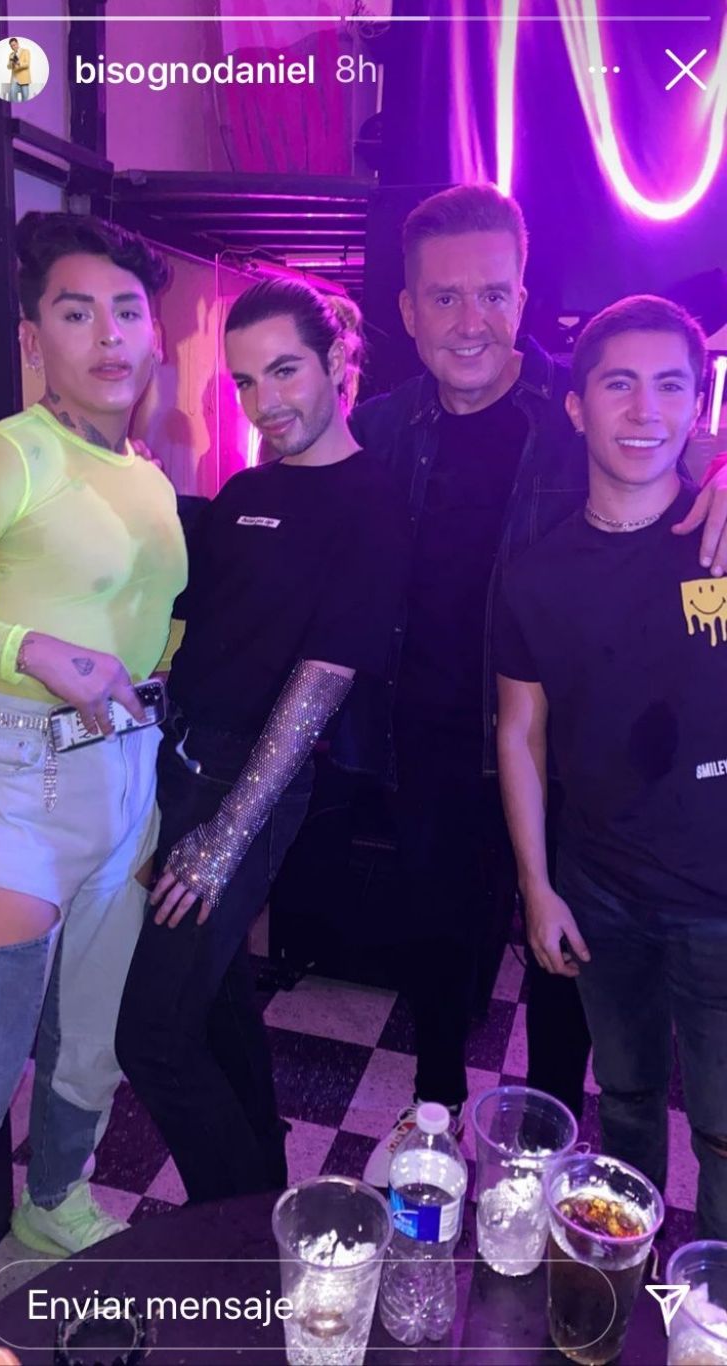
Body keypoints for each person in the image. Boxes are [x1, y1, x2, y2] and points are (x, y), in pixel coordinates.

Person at [341, 184, 727, 1187]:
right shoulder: (377, 430)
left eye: (494, 294)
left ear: (522, 297)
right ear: (409, 309)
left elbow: (677, 445)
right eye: (446, 297)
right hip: (425, 735)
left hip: (569, 748)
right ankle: (433, 1110)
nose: (471, 321)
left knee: (566, 964)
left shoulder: (580, 403)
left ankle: (545, 1139)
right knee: (433, 936)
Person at [115, 279, 408, 1201]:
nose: (264, 401)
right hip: (176, 764)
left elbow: (323, 678)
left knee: (152, 1037)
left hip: (249, 781)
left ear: (336, 362)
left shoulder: (372, 500)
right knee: (214, 1002)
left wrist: (225, 833)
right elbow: (192, 629)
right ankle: (261, 1190)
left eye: (284, 371)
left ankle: (235, 1234)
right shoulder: (246, 489)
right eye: (244, 381)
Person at [0, 212, 187, 1268]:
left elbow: (144, 617)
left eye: (127, 312)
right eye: (75, 311)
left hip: (127, 782)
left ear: (153, 334)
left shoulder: (146, 471)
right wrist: (30, 648)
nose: (108, 335)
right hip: (16, 783)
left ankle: (52, 1202)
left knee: (88, 1045)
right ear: (30, 337)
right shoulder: (9, 454)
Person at [495, 295, 727, 1238]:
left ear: (699, 406)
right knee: (625, 1096)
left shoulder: (720, 536)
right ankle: (631, 1278)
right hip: (601, 888)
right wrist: (537, 886)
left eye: (670, 386)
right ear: (576, 406)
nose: (644, 411)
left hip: (719, 899)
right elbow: (521, 732)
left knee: (723, 1128)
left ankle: (713, 1297)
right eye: (618, 384)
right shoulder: (536, 572)